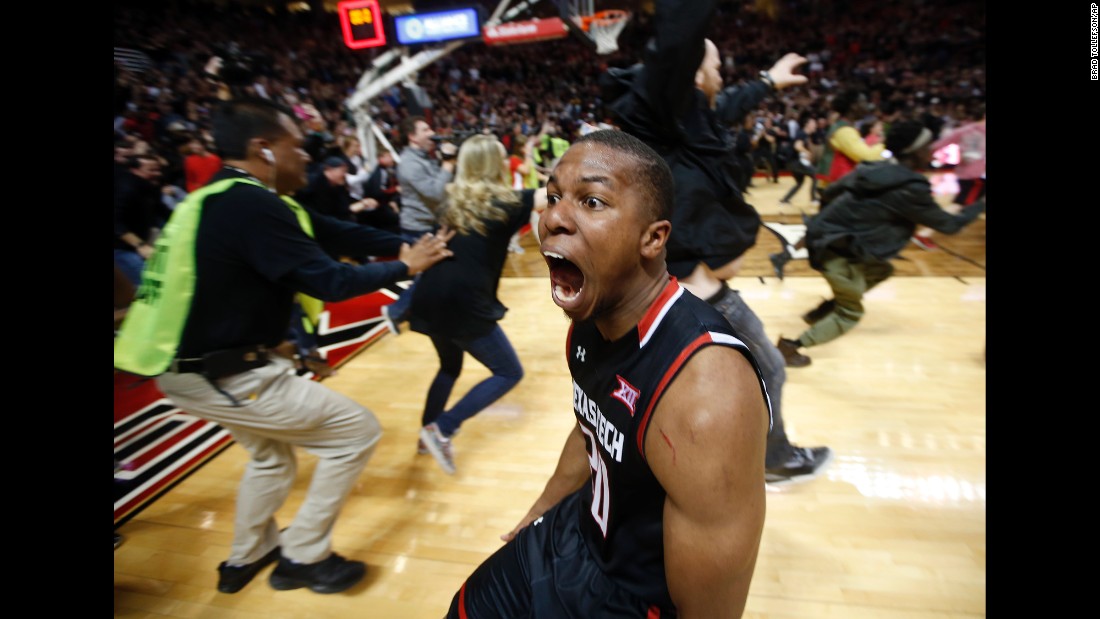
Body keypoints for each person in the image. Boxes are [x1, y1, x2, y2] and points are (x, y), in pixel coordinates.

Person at [113, 96, 455, 596]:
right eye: (297, 147)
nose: (307, 157)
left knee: (272, 458)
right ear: (264, 148)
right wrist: (407, 266)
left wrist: (412, 240)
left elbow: (342, 232)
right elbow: (330, 280)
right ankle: (303, 556)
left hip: (193, 369)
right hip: (220, 372)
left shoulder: (222, 197)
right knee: (354, 431)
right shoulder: (250, 204)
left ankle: (247, 555)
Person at [446, 129, 771, 619]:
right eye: (553, 196)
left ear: (653, 237)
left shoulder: (707, 393)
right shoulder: (591, 319)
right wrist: (540, 511)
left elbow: (712, 607)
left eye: (591, 201)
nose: (553, 217)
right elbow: (592, 424)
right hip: (574, 535)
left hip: (629, 598)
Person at [598, 0, 832, 483]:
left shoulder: (685, 124)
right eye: (715, 63)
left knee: (697, 387)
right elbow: (678, 39)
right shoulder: (656, 117)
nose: (721, 72)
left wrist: (768, 81)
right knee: (767, 371)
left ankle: (684, 463)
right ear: (688, 70)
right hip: (699, 302)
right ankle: (771, 459)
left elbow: (723, 107)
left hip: (696, 297)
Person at [775, 120, 986, 363]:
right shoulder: (909, 188)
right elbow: (949, 225)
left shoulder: (872, 169)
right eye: (927, 146)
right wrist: (981, 204)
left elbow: (830, 193)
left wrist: (835, 222)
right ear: (913, 150)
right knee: (850, 313)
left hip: (824, 240)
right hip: (838, 250)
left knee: (882, 269)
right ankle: (789, 349)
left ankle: (827, 308)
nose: (932, 150)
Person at [411, 135, 547, 474]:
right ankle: (442, 428)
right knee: (508, 372)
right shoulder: (508, 202)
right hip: (463, 302)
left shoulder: (450, 202)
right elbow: (554, 194)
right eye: (502, 157)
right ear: (493, 164)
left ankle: (424, 434)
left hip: (428, 295)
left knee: (449, 367)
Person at [769, 88, 888, 280]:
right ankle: (850, 271)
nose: (866, 106)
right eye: (862, 101)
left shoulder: (844, 127)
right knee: (835, 230)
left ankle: (783, 257)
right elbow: (864, 155)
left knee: (821, 230)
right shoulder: (844, 130)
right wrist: (885, 147)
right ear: (852, 106)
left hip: (838, 188)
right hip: (839, 190)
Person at [380, 115, 457, 334]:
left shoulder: (426, 157)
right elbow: (435, 193)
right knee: (427, 273)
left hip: (432, 222)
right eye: (425, 130)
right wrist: (448, 164)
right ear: (412, 136)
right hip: (419, 227)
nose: (431, 133)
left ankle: (423, 310)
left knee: (438, 271)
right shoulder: (409, 163)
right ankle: (394, 311)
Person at [912, 101, 986, 251]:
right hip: (977, 176)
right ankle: (924, 232)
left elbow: (937, 145)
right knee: (958, 205)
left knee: (969, 204)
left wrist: (925, 156)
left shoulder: (965, 129)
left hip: (967, 173)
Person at [114, 154, 170, 286]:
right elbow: (115, 222)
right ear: (135, 170)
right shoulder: (125, 187)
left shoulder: (149, 187)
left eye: (158, 170)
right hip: (121, 247)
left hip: (141, 240)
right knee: (150, 285)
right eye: (151, 170)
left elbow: (164, 212)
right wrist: (140, 245)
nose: (157, 173)